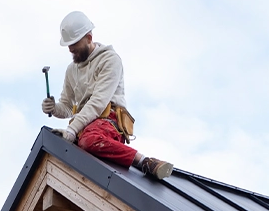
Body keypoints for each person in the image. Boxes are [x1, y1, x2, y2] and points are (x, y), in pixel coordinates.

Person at [42, 10, 175, 181]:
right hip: (83, 125)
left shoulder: (110, 60)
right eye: (68, 44)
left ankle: (144, 161)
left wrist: (72, 130)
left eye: (74, 42)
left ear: (89, 38)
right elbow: (67, 107)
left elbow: (98, 102)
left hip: (108, 121)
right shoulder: (71, 70)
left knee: (89, 141)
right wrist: (54, 108)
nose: (70, 48)